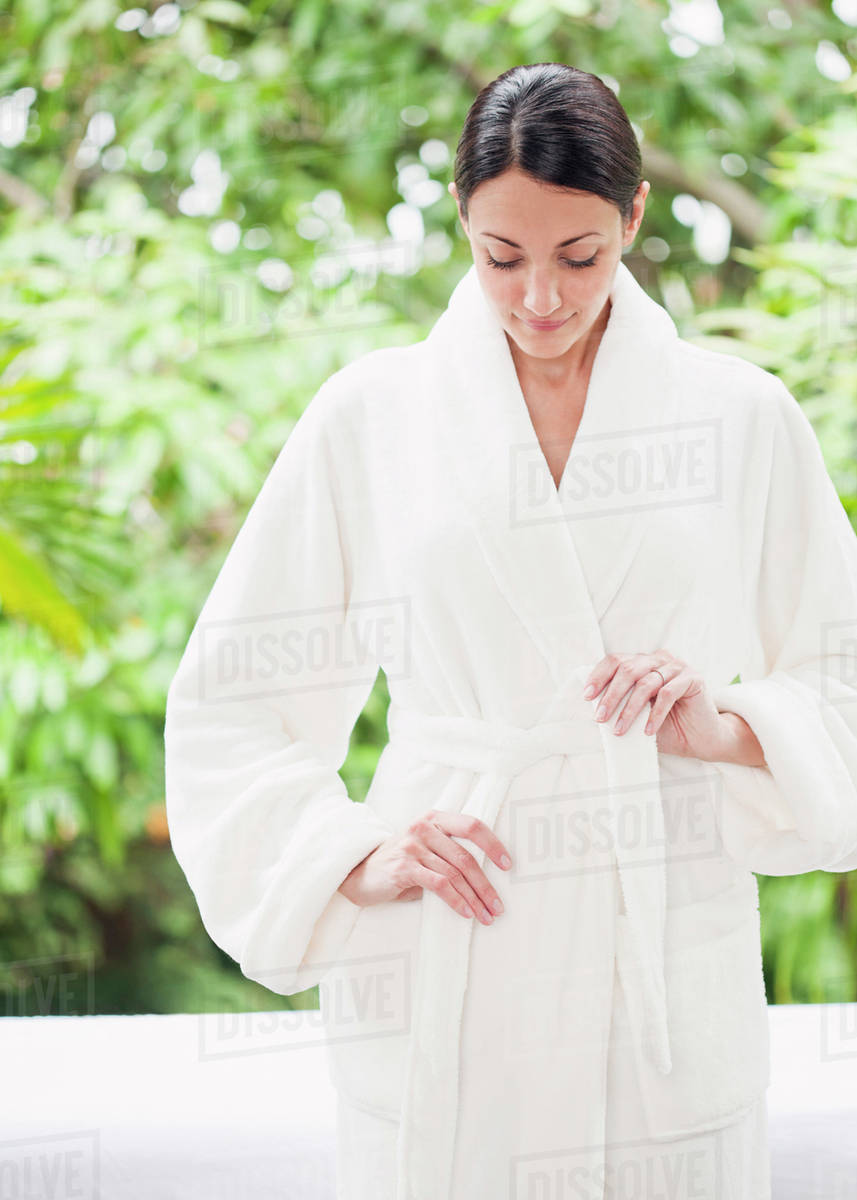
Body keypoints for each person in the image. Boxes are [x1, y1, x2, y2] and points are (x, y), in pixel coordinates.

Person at [164, 62, 857, 1200]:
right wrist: (352, 852)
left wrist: (720, 723)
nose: (539, 295)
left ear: (632, 218)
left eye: (577, 256)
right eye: (502, 257)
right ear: (462, 223)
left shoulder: (739, 418)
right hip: (455, 933)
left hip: (661, 937)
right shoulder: (371, 416)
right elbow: (231, 701)